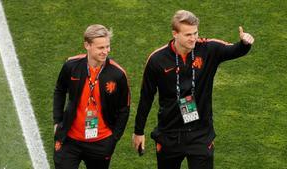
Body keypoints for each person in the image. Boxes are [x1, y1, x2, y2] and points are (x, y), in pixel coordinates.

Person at [132, 10, 254, 169]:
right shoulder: (157, 60)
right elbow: (146, 97)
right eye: (188, 34)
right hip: (169, 133)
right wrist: (138, 131)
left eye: (195, 33)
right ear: (175, 33)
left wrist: (245, 43)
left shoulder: (208, 49)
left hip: (200, 134)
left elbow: (234, 50)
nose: (193, 38)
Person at [53, 24, 130, 169]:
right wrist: (57, 122)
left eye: (107, 47)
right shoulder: (71, 66)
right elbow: (59, 90)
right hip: (69, 140)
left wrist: (113, 139)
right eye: (100, 48)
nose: (105, 51)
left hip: (101, 143)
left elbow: (124, 109)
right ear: (87, 45)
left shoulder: (118, 74)